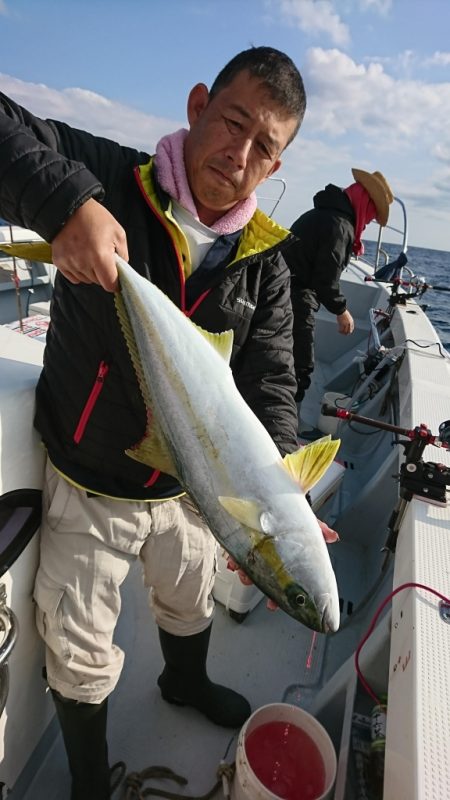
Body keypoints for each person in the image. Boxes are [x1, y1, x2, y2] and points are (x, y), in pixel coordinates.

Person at [0, 48, 311, 799]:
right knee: (78, 644)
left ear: (274, 170)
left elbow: (270, 379)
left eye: (265, 147)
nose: (240, 154)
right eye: (233, 122)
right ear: (198, 103)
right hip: (90, 478)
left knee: (189, 595)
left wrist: (277, 482)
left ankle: (184, 683)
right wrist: (66, 203)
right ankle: (86, 784)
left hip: (190, 491)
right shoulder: (112, 176)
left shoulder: (264, 260)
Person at [283, 169, 394, 412]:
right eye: (372, 214)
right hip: (294, 294)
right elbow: (325, 280)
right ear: (365, 204)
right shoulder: (339, 226)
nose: (369, 220)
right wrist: (342, 310)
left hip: (283, 287)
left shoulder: (324, 214)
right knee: (301, 364)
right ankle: (289, 421)